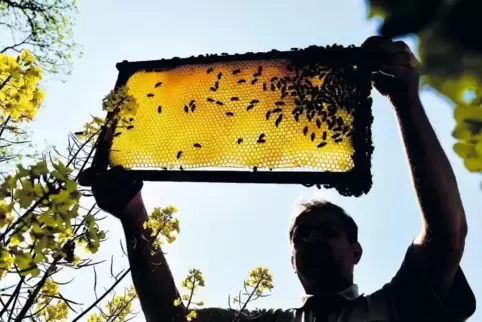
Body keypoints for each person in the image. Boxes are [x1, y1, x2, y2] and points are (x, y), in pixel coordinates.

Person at [91, 37, 476, 322]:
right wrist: (133, 214)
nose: (312, 239)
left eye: (327, 230)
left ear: (356, 251)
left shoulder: (394, 308)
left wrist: (406, 101)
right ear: (291, 261)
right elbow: (170, 319)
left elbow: (448, 232)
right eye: (300, 236)